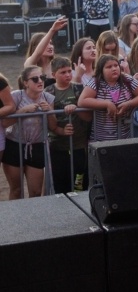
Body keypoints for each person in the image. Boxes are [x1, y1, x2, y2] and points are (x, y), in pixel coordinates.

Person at [2, 66, 57, 199]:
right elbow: (4, 123)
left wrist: (49, 111)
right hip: (14, 145)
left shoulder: (48, 98)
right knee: (16, 190)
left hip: (37, 146)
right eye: (35, 78)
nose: (40, 81)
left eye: (42, 77)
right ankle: (16, 219)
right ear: (25, 82)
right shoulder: (16, 96)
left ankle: (34, 219)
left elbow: (53, 126)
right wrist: (23, 111)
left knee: (36, 192)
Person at [78, 54, 138, 141]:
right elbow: (82, 101)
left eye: (116, 65)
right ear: (101, 70)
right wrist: (106, 104)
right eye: (109, 67)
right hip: (101, 140)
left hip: (125, 138)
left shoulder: (126, 79)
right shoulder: (96, 82)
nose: (114, 69)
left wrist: (129, 104)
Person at [46, 56, 91, 193]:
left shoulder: (78, 88)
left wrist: (76, 107)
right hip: (57, 145)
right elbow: (49, 122)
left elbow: (89, 117)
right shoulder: (48, 91)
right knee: (60, 185)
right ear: (54, 75)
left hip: (79, 144)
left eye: (69, 71)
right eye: (62, 72)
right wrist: (60, 130)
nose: (67, 75)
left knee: (80, 183)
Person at [24, 17, 68, 86]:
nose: (50, 47)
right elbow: (38, 53)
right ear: (36, 47)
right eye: (46, 44)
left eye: (51, 43)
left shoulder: (57, 64)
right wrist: (52, 30)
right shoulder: (30, 63)